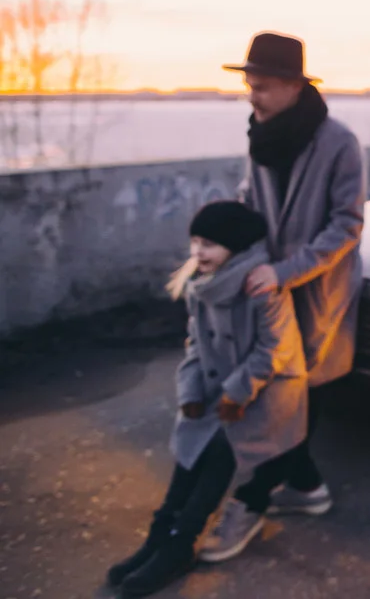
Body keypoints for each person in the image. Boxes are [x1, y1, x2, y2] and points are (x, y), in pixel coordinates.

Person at [203, 31, 367, 559]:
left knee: (295, 396)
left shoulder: (340, 142)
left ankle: (250, 502)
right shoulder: (262, 135)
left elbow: (347, 225)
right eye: (249, 85)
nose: (253, 96)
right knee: (283, 395)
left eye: (264, 86)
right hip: (269, 289)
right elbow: (251, 202)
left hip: (318, 294)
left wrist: (285, 271)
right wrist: (225, 249)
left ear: (295, 86)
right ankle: (307, 488)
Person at [106, 201, 307, 597]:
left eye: (210, 244)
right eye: (196, 242)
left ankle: (181, 542)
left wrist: (237, 393)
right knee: (192, 444)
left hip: (268, 390)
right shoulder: (200, 285)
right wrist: (192, 391)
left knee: (219, 447)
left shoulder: (261, 288)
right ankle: (160, 536)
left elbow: (274, 350)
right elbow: (195, 346)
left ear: (235, 247)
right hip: (220, 387)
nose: (199, 251)